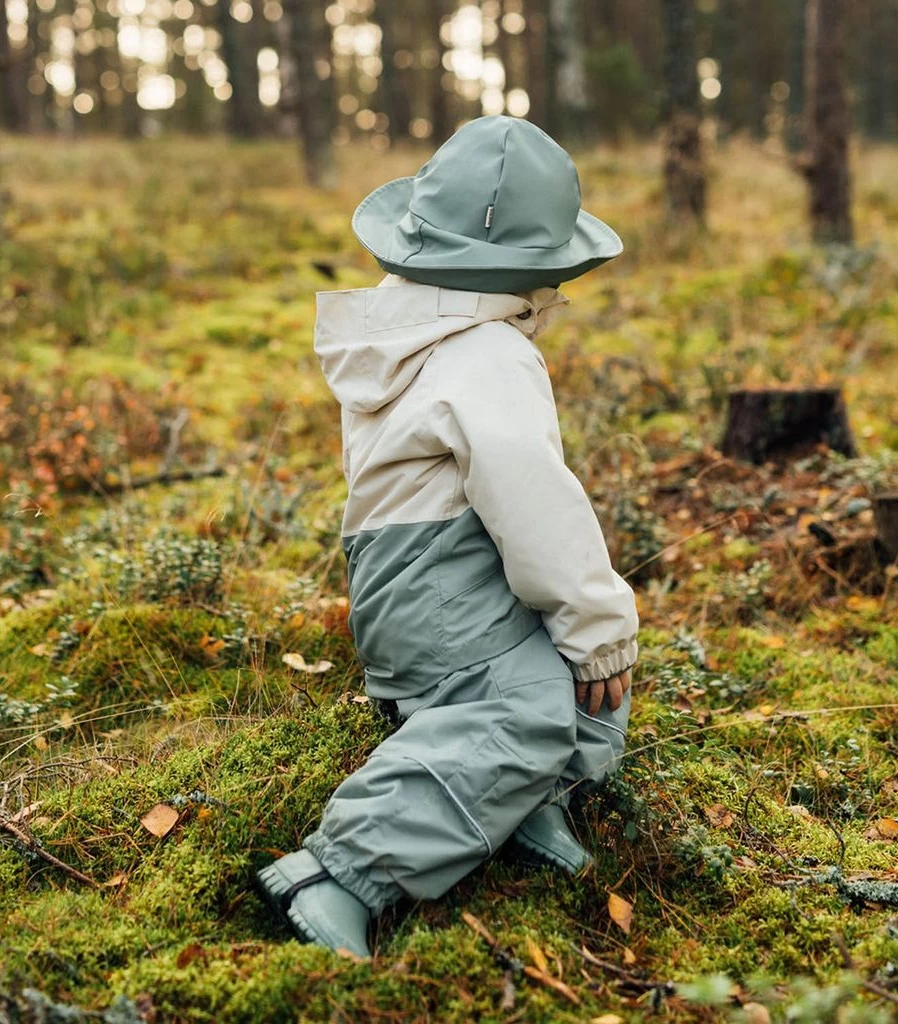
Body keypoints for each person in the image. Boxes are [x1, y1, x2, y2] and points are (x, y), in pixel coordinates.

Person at [256, 115, 638, 957]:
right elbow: (533, 503)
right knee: (534, 710)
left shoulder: (400, 332)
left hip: (403, 575)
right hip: (444, 581)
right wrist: (598, 623)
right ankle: (339, 873)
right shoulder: (489, 354)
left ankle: (517, 805)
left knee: (559, 682)